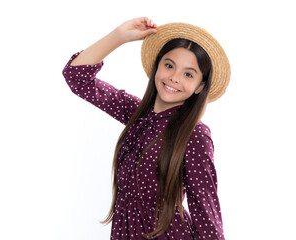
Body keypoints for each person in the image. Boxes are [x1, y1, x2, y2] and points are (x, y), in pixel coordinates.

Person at [62, 17, 230, 240]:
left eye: (188, 74)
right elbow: (76, 77)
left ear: (200, 86)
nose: (174, 78)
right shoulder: (136, 113)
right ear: (157, 66)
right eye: (169, 65)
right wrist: (119, 36)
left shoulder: (195, 135)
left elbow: (206, 216)